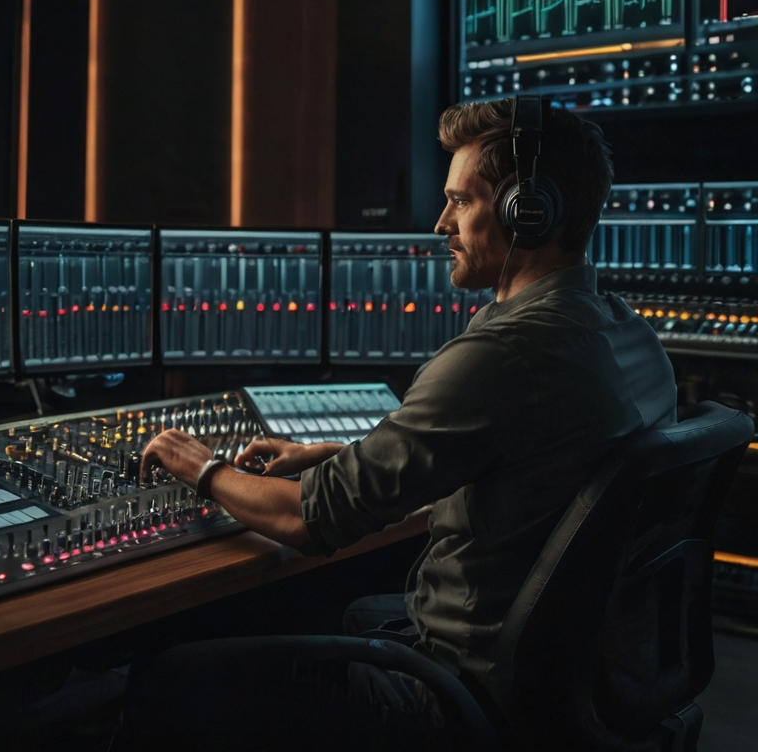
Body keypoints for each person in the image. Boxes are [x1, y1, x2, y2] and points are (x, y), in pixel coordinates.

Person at [126, 97, 677, 744]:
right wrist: (339, 455)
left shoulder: (499, 356)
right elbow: (536, 470)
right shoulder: (632, 337)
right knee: (361, 609)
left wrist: (199, 465)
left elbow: (305, 520)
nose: (440, 222)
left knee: (170, 675)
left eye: (462, 202)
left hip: (467, 695)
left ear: (529, 214)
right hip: (578, 678)